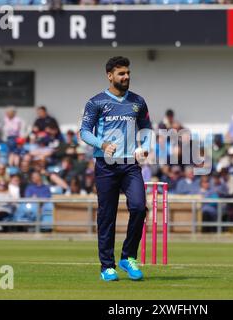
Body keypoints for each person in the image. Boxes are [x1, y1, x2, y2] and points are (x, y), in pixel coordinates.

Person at [79, 56, 152, 282]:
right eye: (121, 74)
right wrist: (102, 144)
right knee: (107, 216)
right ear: (110, 76)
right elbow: (84, 131)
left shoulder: (138, 102)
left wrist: (146, 147)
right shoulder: (96, 102)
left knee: (140, 207)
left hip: (130, 164)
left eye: (128, 73)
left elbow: (147, 128)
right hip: (106, 165)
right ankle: (107, 266)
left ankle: (128, 256)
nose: (126, 77)